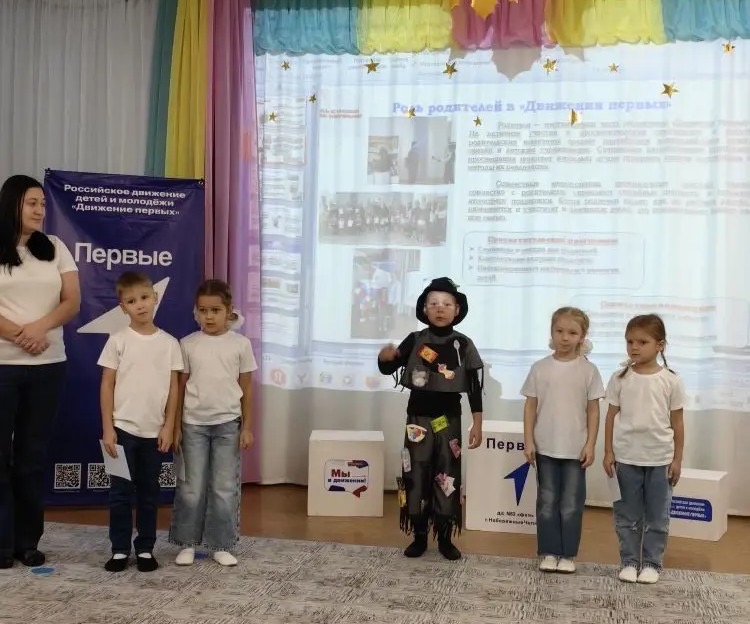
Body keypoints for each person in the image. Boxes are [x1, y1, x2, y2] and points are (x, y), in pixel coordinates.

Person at [0, 175, 80, 569]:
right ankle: (1, 542)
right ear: (12, 203)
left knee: (32, 455)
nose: (40, 210)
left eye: (43, 204)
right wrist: (21, 334)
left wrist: (39, 328)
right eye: (32, 202)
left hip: (48, 366)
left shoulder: (56, 248)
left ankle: (27, 541)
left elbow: (72, 301)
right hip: (3, 366)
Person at [377, 277, 483, 560]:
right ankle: (419, 535)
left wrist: (478, 422)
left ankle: (445, 537)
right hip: (418, 418)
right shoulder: (415, 340)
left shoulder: (463, 344)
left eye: (447, 304)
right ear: (424, 309)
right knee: (416, 473)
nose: (440, 308)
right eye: (433, 303)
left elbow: (474, 387)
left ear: (457, 310)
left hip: (449, 419)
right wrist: (385, 358)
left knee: (447, 475)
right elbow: (389, 367)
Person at [99, 271, 183, 572]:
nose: (140, 305)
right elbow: (107, 383)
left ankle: (145, 548)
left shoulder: (170, 343)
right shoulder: (117, 340)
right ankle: (120, 549)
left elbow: (174, 388)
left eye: (145, 297)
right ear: (123, 307)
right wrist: (108, 428)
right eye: (132, 301)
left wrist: (169, 426)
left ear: (155, 298)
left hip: (154, 432)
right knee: (119, 493)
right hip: (121, 430)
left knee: (149, 493)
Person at [170, 279, 256, 567]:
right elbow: (179, 388)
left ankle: (221, 544)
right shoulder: (188, 344)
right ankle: (187, 543)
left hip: (228, 425)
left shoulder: (241, 344)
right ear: (196, 311)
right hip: (192, 424)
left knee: (224, 487)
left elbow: (246, 387)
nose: (208, 316)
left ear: (228, 310)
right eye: (203, 310)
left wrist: (247, 426)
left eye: (215, 310)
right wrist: (175, 427)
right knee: (191, 487)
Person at [603, 314, 685, 585]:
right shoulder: (619, 378)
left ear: (660, 345)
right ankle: (629, 562)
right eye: (630, 342)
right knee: (627, 515)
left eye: (642, 342)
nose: (634, 347)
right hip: (626, 458)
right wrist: (608, 452)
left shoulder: (671, 380)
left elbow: (677, 422)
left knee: (657, 516)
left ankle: (651, 563)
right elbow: (610, 417)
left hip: (660, 459)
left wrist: (677, 459)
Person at [522, 307, 604, 574]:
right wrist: (528, 440)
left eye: (572, 332)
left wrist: (590, 444)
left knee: (571, 504)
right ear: (551, 332)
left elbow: (593, 411)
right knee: (546, 502)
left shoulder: (588, 370)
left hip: (575, 450)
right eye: (559, 331)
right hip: (545, 447)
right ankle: (548, 552)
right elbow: (530, 407)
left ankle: (567, 554)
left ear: (582, 336)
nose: (565, 337)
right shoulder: (540, 368)